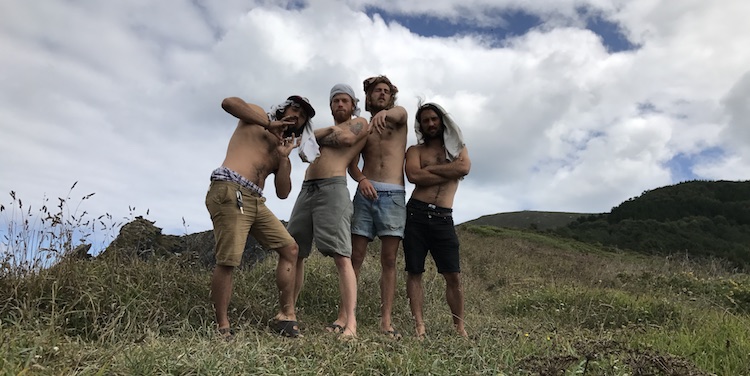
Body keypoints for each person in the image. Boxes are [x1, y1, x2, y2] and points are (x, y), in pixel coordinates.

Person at [206, 95, 316, 339]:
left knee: (291, 249)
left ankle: (286, 316)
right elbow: (228, 103)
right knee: (229, 259)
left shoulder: (281, 147)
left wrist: (284, 157)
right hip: (230, 188)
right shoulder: (257, 117)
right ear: (283, 107)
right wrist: (268, 125)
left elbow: (283, 192)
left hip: (255, 201)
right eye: (294, 108)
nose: (296, 115)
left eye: (302, 116)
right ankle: (222, 327)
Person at [287, 84, 370, 338]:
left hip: (333, 188)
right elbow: (301, 147)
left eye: (345, 100)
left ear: (353, 104)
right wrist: (326, 132)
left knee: (342, 255)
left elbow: (345, 138)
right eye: (335, 101)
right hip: (307, 189)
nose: (340, 105)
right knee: (293, 251)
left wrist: (317, 135)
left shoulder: (360, 123)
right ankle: (288, 313)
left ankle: (351, 324)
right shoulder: (327, 128)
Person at [403, 102, 471, 338]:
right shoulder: (415, 151)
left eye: (434, 119)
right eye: (425, 120)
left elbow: (464, 168)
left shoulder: (457, 148)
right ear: (420, 125)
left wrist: (430, 171)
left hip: (443, 217)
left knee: (453, 275)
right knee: (414, 271)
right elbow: (413, 175)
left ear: (441, 121)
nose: (430, 123)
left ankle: (459, 327)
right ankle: (420, 327)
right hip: (416, 214)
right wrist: (449, 169)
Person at [347, 75, 408, 338]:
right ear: (368, 97)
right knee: (355, 257)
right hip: (366, 192)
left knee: (389, 260)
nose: (381, 94)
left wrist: (387, 113)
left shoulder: (399, 117)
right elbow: (351, 163)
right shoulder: (363, 127)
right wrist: (360, 180)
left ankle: (386, 320)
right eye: (376, 91)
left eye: (386, 91)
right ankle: (347, 315)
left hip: (393, 194)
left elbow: (400, 112)